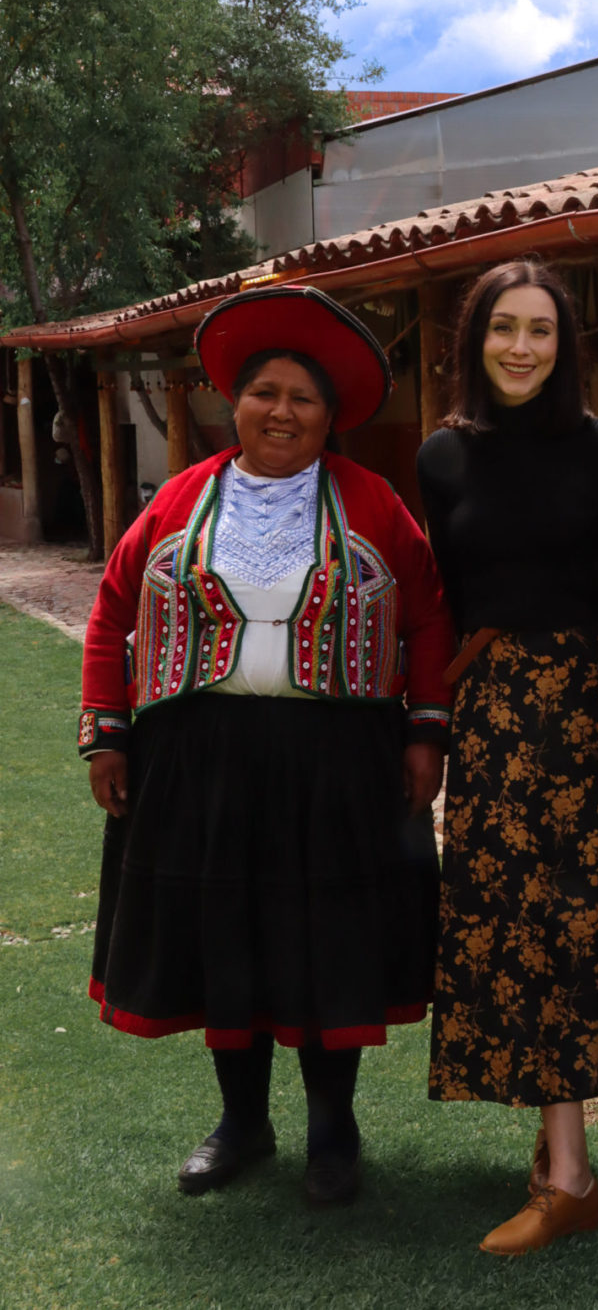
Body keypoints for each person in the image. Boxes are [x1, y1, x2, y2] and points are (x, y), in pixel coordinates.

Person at [81, 285, 456, 1206]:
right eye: (264, 393)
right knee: (226, 936)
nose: (281, 411)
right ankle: (241, 1125)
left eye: (303, 398)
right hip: (199, 758)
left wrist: (425, 734)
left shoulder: (373, 504)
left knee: (326, 936)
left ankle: (335, 1131)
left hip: (335, 758)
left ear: (330, 416)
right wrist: (107, 733)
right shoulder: (177, 500)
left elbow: (430, 623)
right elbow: (111, 613)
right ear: (232, 403)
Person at [417, 259, 598, 1255]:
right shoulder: (441, 457)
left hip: (581, 716)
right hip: (487, 719)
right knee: (506, 926)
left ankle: (573, 1178)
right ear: (475, 341)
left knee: (566, 928)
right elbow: (442, 600)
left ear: (567, 346)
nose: (521, 347)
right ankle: (556, 1156)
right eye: (503, 328)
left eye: (541, 331)